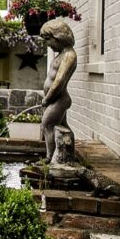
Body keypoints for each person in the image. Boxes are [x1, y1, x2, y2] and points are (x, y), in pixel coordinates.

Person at [39, 19, 77, 162]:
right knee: (63, 128)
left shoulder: (69, 55)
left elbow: (59, 81)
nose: (48, 44)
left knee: (47, 124)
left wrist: (48, 98)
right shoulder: (62, 54)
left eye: (48, 40)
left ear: (58, 37)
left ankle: (49, 158)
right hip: (56, 99)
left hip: (60, 99)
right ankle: (69, 155)